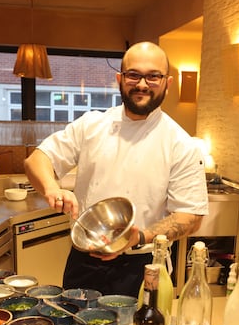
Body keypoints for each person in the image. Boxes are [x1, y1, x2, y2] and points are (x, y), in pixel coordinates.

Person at [24, 41, 209, 297]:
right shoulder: (92, 125)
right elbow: (37, 159)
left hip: (142, 264)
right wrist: (52, 188)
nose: (142, 84)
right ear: (120, 79)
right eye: (133, 74)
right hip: (83, 260)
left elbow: (191, 216)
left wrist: (139, 237)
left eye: (153, 76)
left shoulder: (181, 143)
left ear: (168, 82)